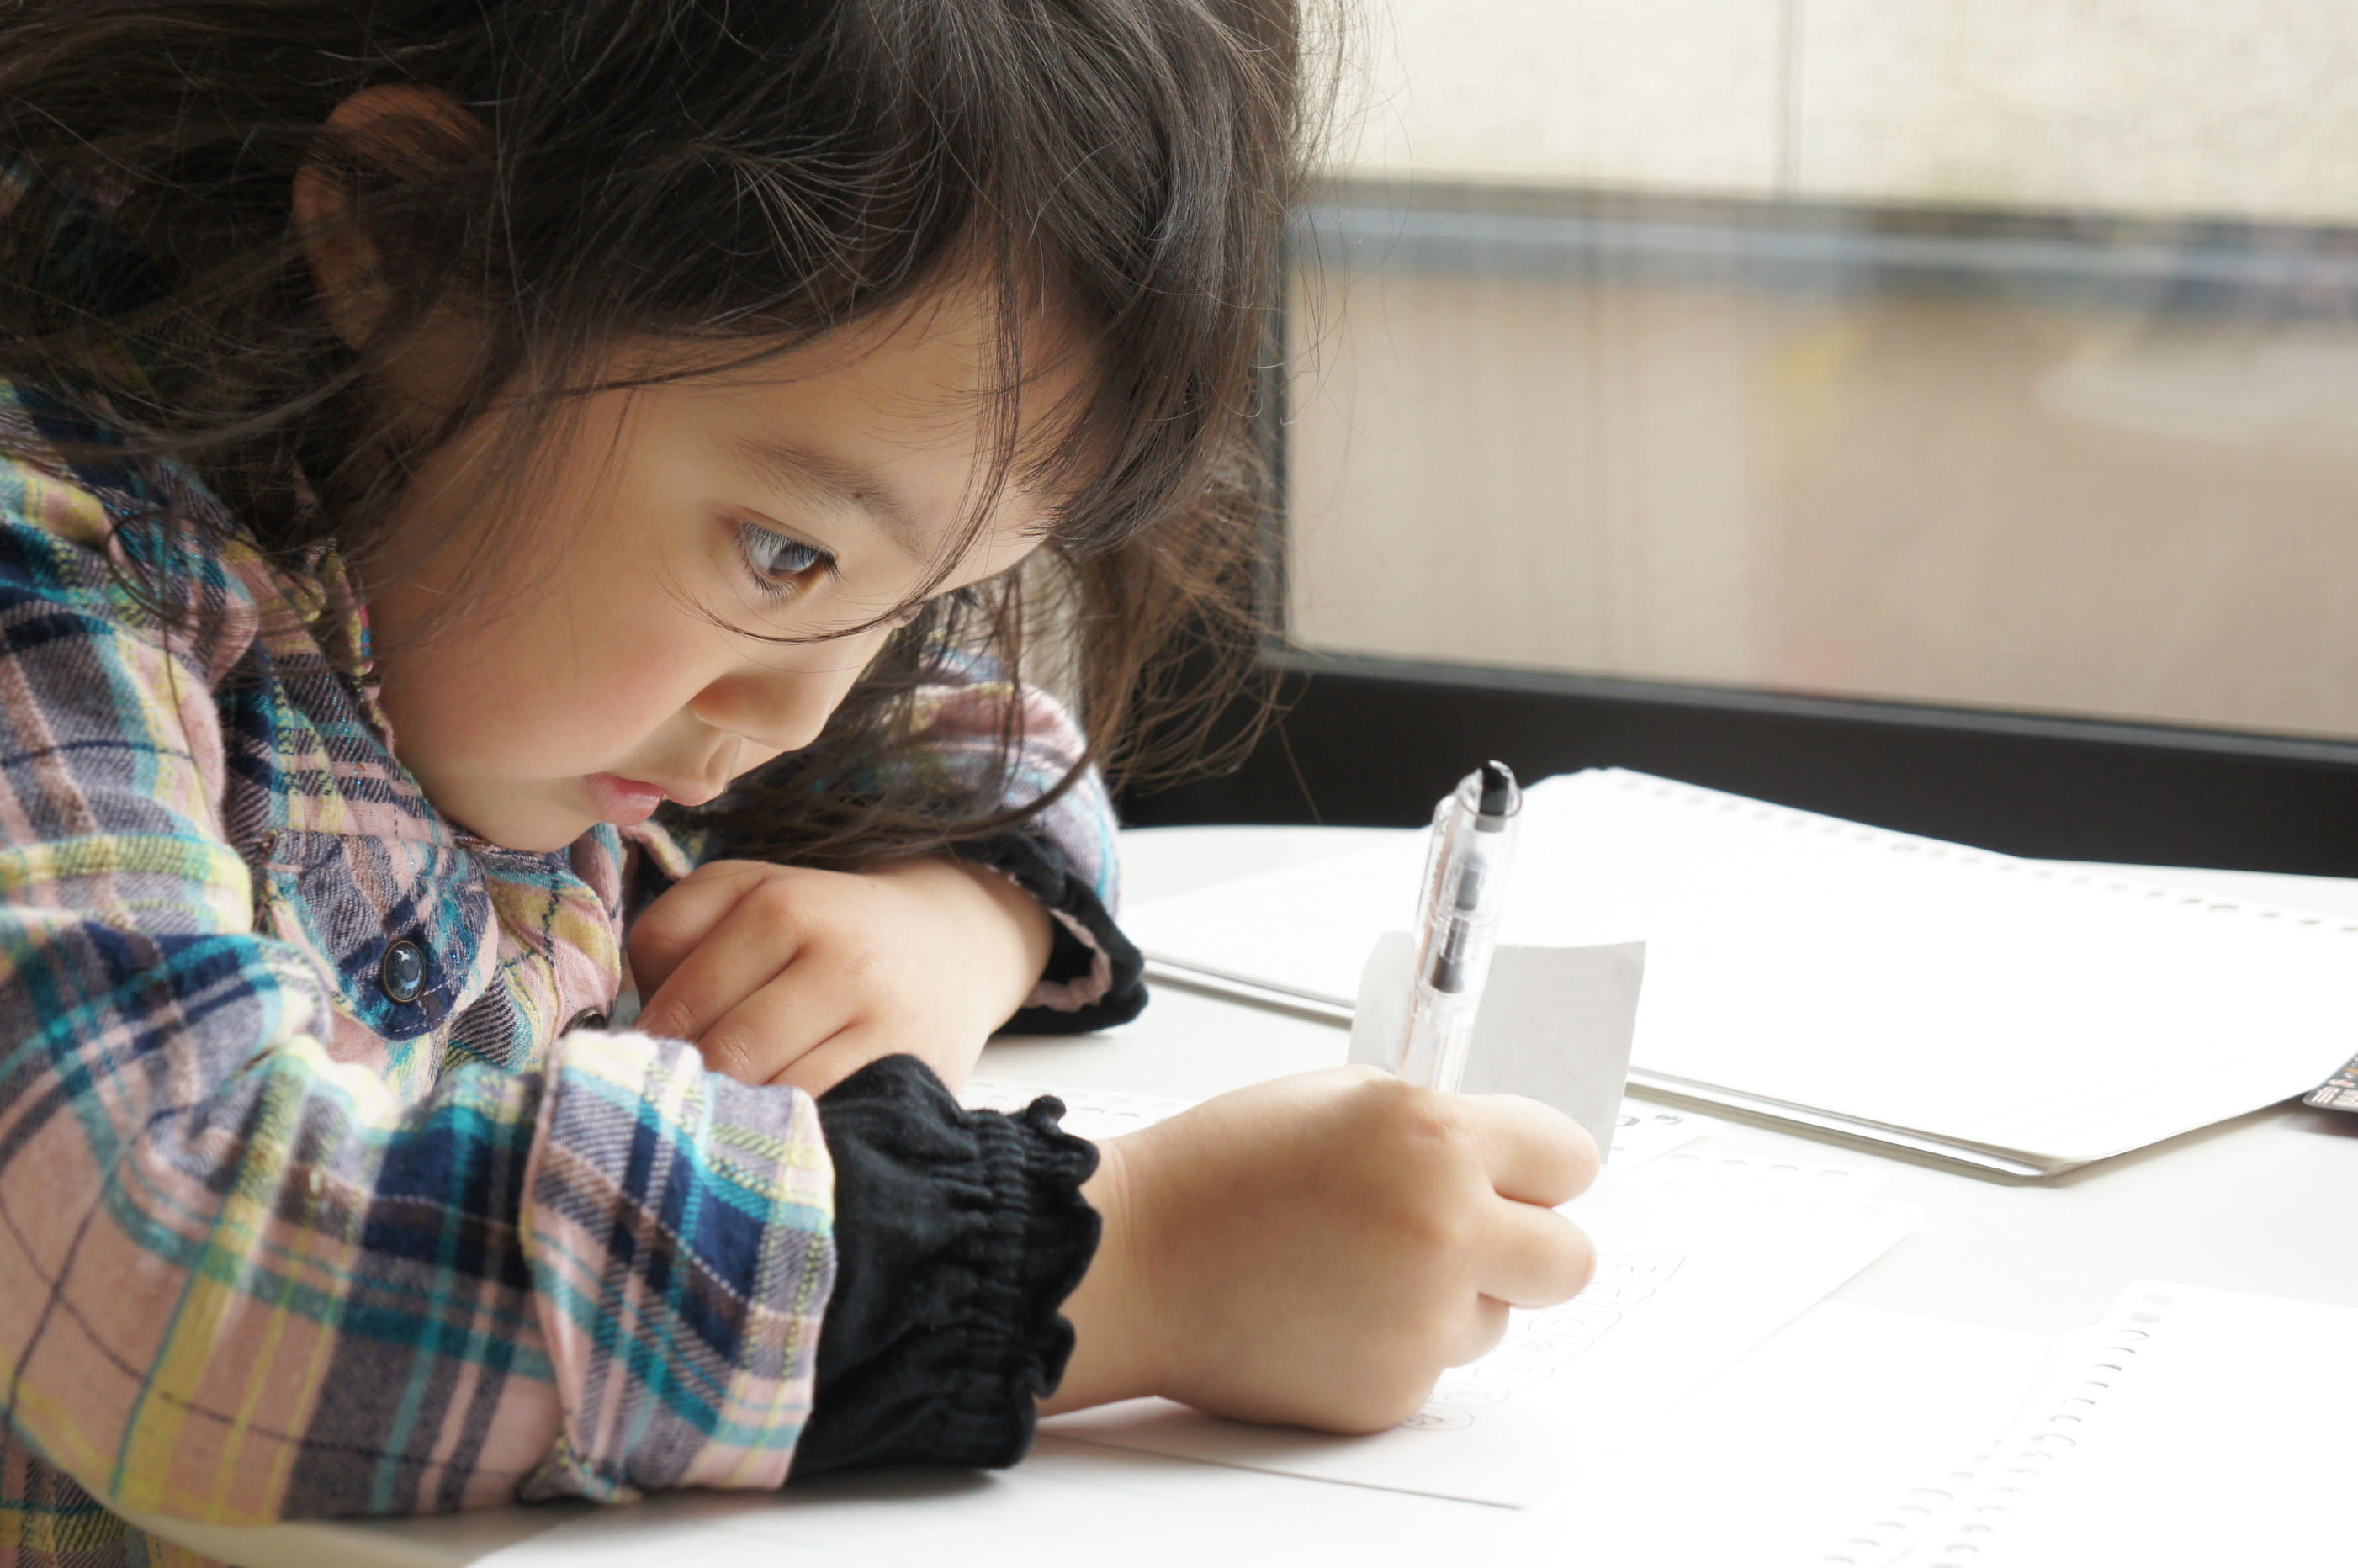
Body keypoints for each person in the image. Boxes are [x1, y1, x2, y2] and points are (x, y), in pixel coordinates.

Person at [0, 2, 1599, 1562]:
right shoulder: (51, 586)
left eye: (920, 600)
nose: (798, 714)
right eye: (787, 556)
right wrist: (1111, 1263)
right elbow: (178, 1264)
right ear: (415, 242)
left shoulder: (578, 608)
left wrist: (951, 920)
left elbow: (991, 737)